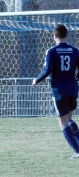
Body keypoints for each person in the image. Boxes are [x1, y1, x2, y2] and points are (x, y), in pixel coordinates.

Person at [32, 24, 79, 158]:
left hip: (59, 90)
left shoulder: (52, 51)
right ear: (67, 35)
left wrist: (36, 80)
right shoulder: (75, 51)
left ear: (54, 36)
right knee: (69, 119)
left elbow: (47, 70)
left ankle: (77, 150)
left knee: (63, 122)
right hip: (73, 88)